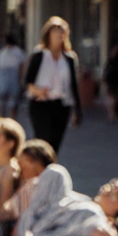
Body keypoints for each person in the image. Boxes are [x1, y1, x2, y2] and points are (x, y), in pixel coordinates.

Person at [23, 17, 83, 155]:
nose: (59, 35)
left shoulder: (69, 58)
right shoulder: (40, 55)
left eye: (62, 32)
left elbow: (73, 85)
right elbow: (27, 80)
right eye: (55, 31)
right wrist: (37, 91)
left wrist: (77, 110)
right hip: (41, 103)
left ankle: (51, 166)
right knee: (43, 141)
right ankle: (39, 165)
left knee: (55, 143)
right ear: (48, 34)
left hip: (61, 105)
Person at [0, 34, 27, 120]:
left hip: (3, 75)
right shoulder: (19, 52)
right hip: (13, 75)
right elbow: (22, 66)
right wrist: (21, 79)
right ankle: (12, 119)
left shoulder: (2, 51)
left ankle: (2, 119)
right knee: (13, 100)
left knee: (2, 100)